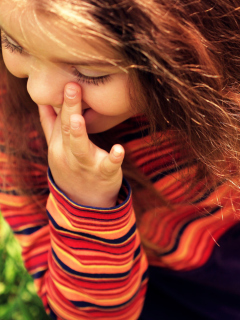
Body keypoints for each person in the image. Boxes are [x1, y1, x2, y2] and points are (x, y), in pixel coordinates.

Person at [1, 0, 240, 319]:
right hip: (169, 283)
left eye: (89, 71)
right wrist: (86, 201)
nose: (38, 91)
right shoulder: (19, 131)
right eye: (12, 42)